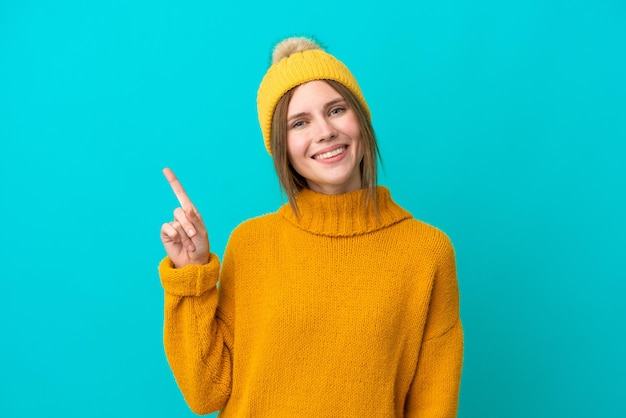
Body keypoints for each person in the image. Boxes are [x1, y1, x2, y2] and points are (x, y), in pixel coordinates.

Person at [159, 36, 463, 417]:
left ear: (361, 120)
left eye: (336, 110)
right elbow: (206, 394)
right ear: (280, 146)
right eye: (299, 122)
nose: (324, 131)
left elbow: (434, 403)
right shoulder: (251, 244)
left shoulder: (426, 251)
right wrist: (192, 277)